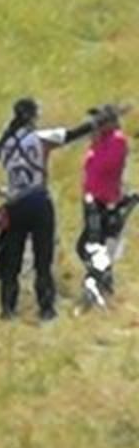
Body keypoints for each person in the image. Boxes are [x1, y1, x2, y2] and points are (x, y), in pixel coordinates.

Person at [0, 97, 98, 320]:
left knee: (11, 261)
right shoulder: (40, 138)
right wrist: (96, 122)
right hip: (39, 202)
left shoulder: (2, 142)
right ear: (32, 116)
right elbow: (72, 134)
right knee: (43, 260)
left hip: (14, 204)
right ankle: (46, 309)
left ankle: (8, 309)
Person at [75, 104, 134, 304]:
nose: (97, 126)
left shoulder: (117, 140)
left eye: (101, 122)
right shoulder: (100, 141)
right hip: (92, 198)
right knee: (90, 246)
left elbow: (105, 167)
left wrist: (96, 141)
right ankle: (102, 281)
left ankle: (100, 283)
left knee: (91, 245)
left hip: (105, 200)